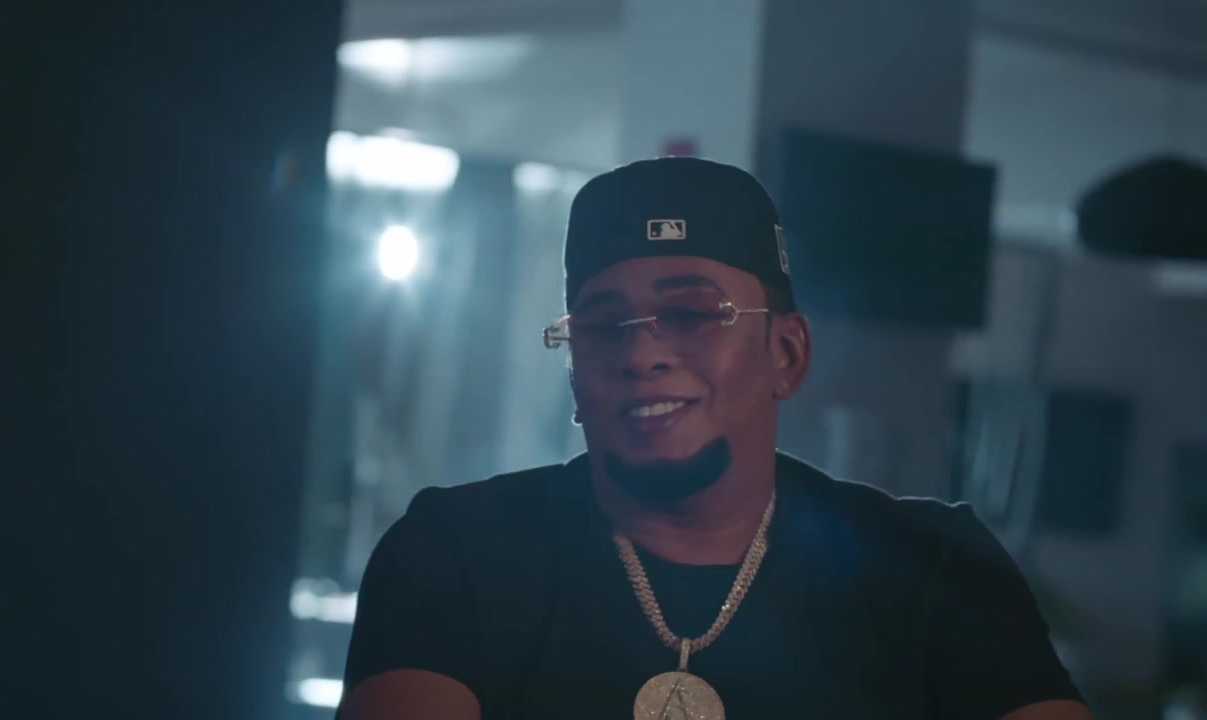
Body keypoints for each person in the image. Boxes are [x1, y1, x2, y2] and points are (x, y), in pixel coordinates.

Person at [337, 157, 1090, 719]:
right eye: (602, 325)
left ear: (785, 354)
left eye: (692, 315)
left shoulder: (933, 567)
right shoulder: (458, 552)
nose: (641, 353)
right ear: (574, 372)